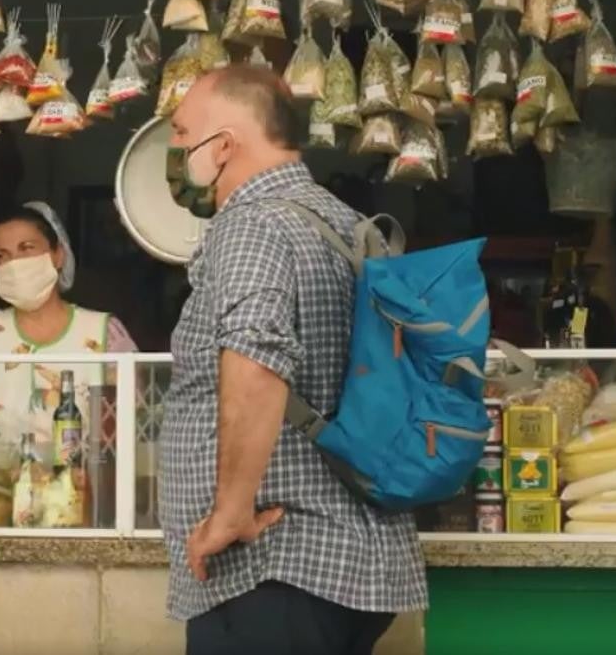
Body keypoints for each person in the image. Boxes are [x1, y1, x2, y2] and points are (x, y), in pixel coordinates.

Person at [159, 65, 427, 655]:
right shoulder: (344, 223)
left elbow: (257, 356)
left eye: (180, 134)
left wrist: (229, 512)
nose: (174, 151)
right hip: (353, 561)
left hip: (277, 568)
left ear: (223, 146)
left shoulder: (254, 224)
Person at [0, 202, 137, 454]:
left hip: (81, 485)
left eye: (26, 248)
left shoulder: (104, 332)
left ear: (58, 255)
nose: (14, 263)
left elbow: (132, 424)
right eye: (2, 255)